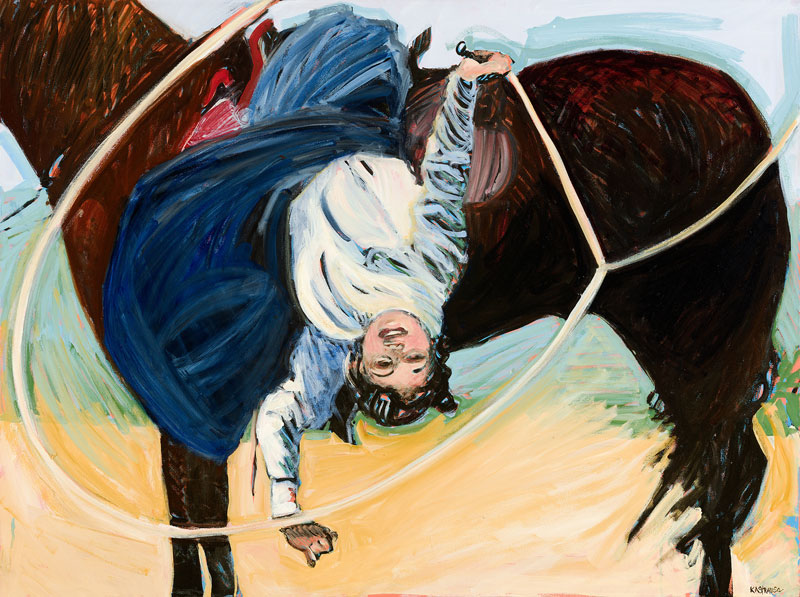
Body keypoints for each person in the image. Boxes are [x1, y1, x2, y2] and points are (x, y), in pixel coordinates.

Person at [256, 50, 511, 548]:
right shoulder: (435, 269)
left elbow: (280, 414)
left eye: (383, 365)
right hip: (363, 129)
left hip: (290, 166)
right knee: (374, 52)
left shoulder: (333, 338)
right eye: (414, 359)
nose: (396, 348)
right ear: (432, 348)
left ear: (357, 364)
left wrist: (286, 506)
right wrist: (465, 85)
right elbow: (446, 172)